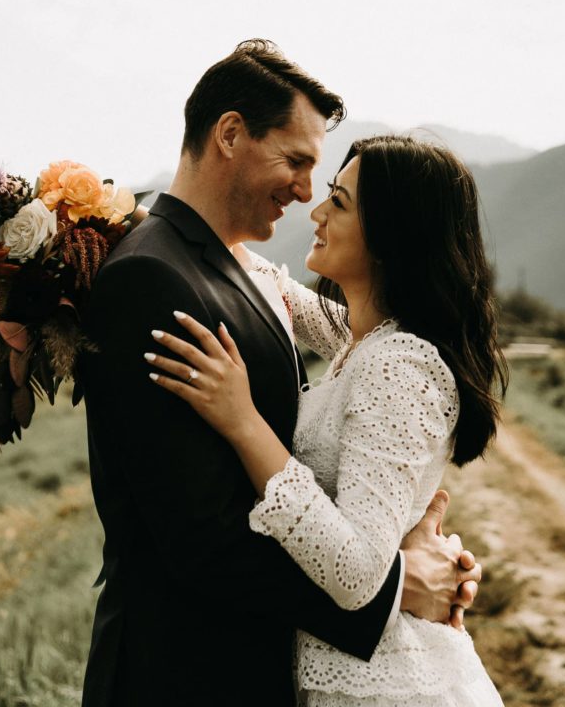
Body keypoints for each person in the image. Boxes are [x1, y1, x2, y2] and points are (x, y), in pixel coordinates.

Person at [80, 41, 481, 707]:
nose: (306, 199)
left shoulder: (268, 287)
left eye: (330, 192)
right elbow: (202, 537)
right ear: (230, 134)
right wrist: (395, 586)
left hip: (273, 667)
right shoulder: (156, 275)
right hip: (182, 674)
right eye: (297, 163)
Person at [148, 133, 508, 706]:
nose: (315, 210)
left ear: (392, 233)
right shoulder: (362, 339)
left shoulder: (399, 366)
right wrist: (109, 220)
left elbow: (358, 571)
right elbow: (274, 290)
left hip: (384, 690)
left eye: (337, 202)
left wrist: (244, 424)